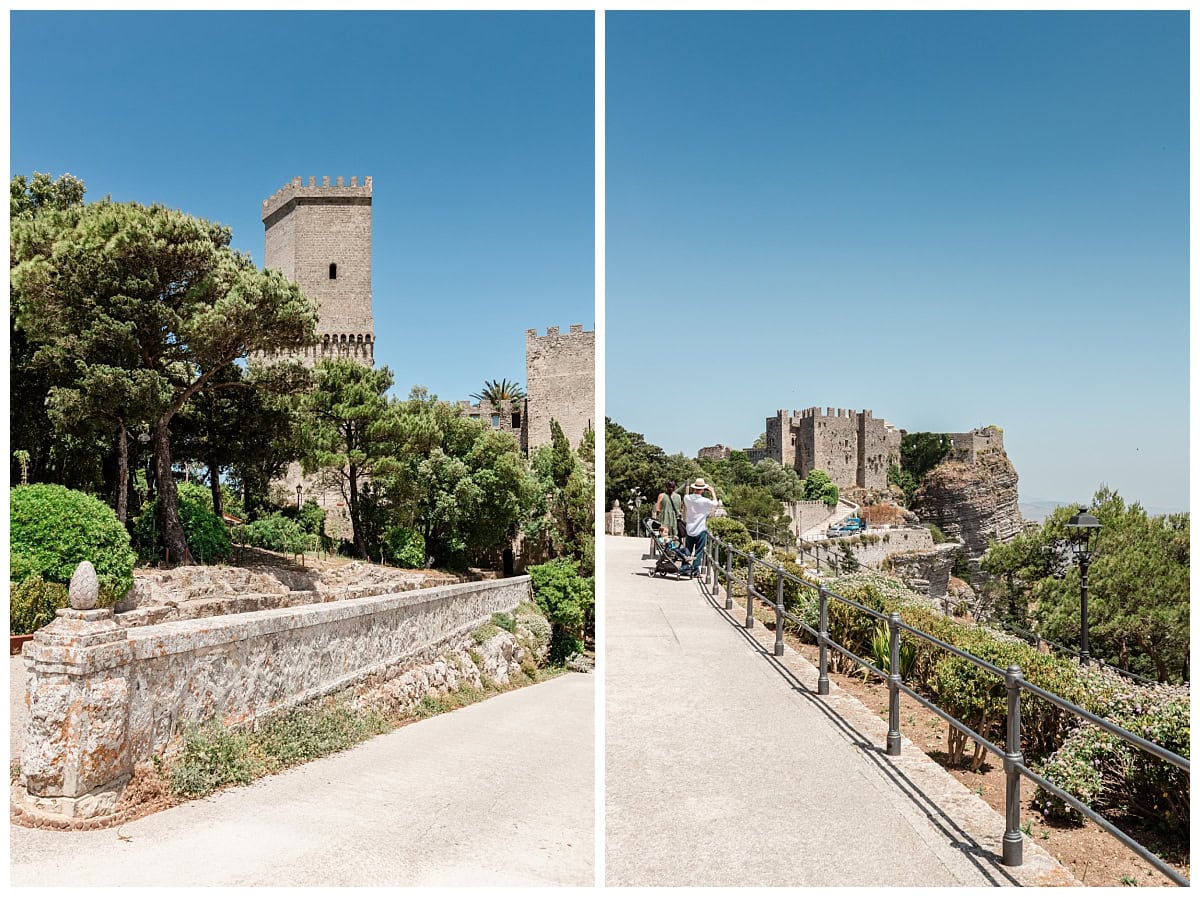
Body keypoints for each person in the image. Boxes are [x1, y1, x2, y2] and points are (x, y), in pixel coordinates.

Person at [681, 478, 720, 578]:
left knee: (687, 550)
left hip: (689, 528)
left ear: (694, 488)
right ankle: (695, 571)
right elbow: (715, 503)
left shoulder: (687, 498)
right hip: (700, 529)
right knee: (698, 551)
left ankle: (684, 568)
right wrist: (712, 492)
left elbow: (689, 500)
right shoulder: (705, 501)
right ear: (703, 489)